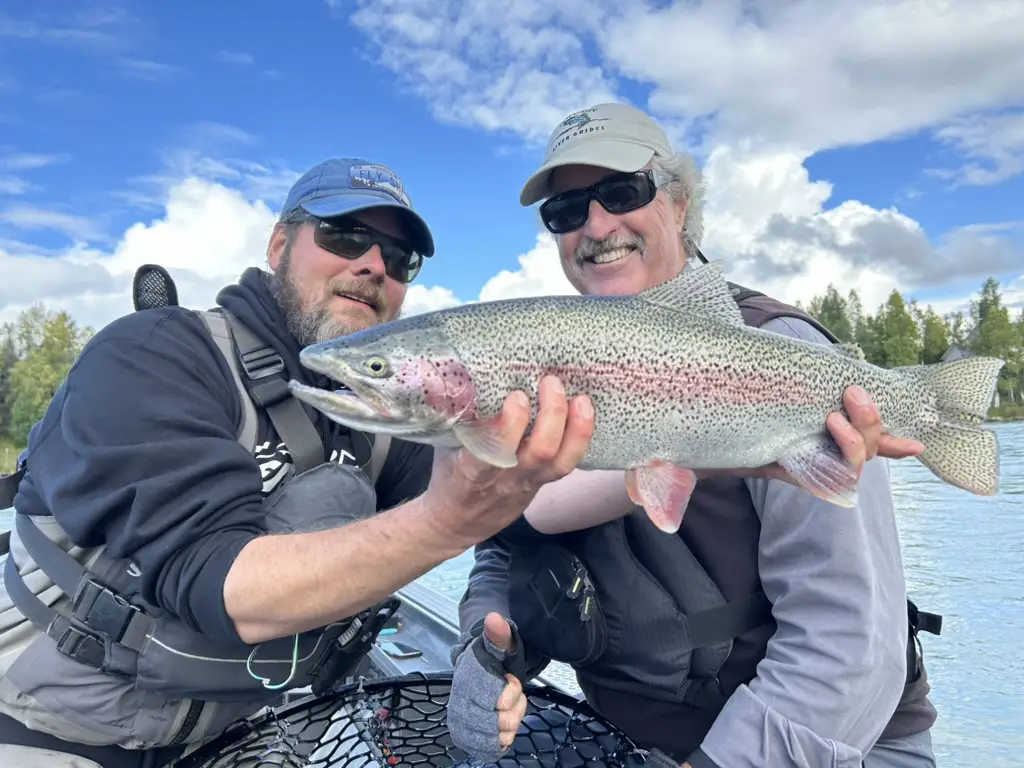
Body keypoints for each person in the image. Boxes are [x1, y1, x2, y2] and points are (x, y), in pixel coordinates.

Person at [0, 157, 601, 768]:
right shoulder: (155, 355)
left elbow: (507, 526)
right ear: (280, 243)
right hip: (58, 724)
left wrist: (482, 639)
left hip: (247, 733)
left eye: (399, 258)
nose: (372, 265)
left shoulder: (383, 415)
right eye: (343, 234)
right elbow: (216, 585)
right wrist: (446, 522)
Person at [447, 103, 940, 768]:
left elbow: (849, 643)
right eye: (566, 210)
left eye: (622, 192)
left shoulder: (780, 358)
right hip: (635, 739)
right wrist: (484, 647)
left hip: (832, 742)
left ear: (678, 206)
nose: (596, 225)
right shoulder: (546, 367)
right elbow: (506, 541)